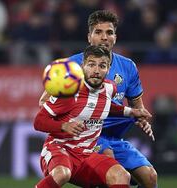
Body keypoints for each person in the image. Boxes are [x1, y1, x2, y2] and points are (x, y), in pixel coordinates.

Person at [39, 10, 158, 188]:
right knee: (109, 164)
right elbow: (44, 102)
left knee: (150, 177)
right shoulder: (72, 66)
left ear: (115, 37)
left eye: (109, 33)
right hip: (88, 137)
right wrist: (68, 121)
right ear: (89, 37)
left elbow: (136, 107)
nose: (104, 37)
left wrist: (141, 119)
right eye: (98, 32)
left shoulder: (128, 67)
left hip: (114, 138)